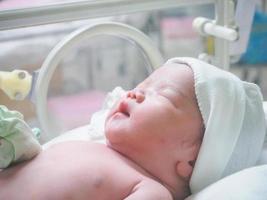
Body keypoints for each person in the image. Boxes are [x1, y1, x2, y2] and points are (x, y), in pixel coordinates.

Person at [0, 57, 265, 200]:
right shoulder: (92, 146)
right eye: (141, 86)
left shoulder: (150, 190)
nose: (134, 93)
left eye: (164, 95)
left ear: (191, 160)